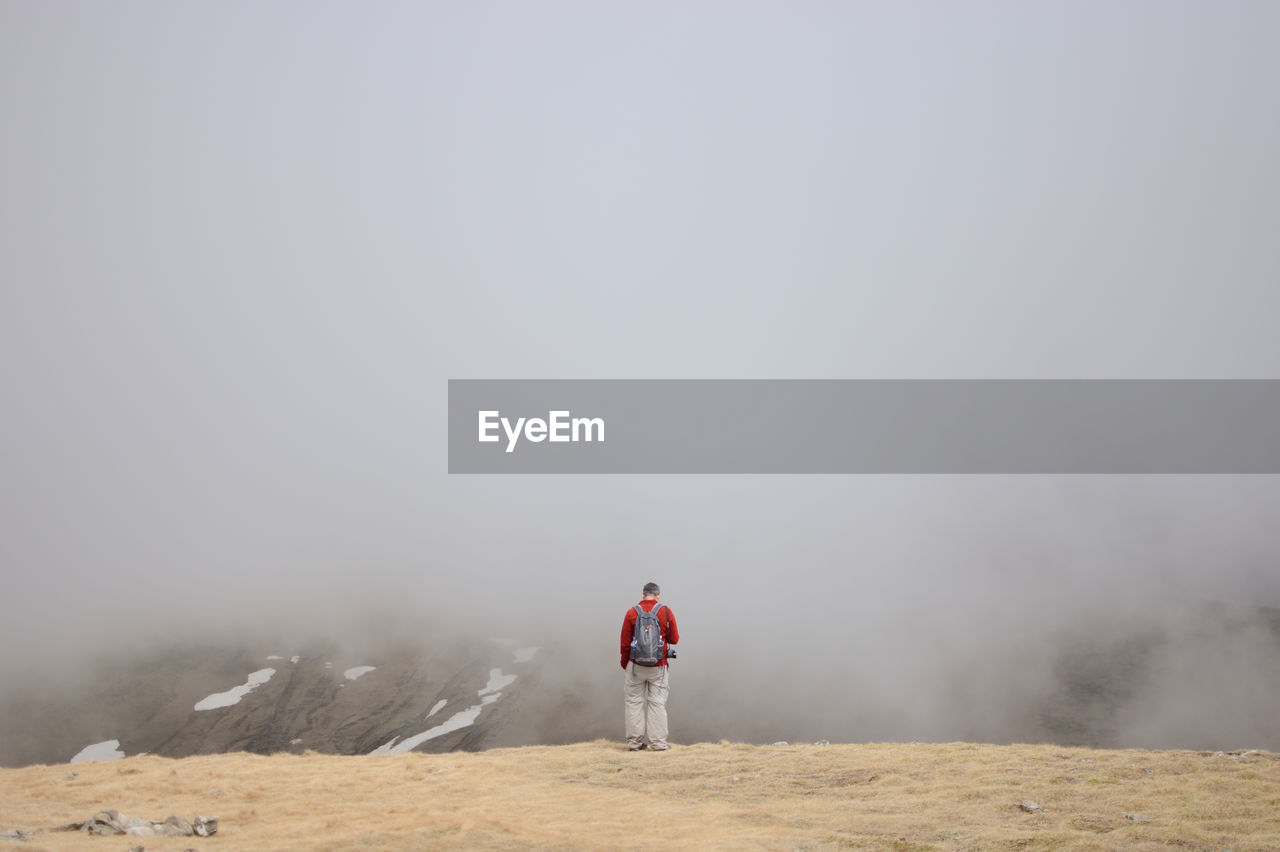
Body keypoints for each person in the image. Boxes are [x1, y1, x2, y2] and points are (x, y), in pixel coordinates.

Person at [620, 581, 679, 751]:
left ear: (642, 595)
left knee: (633, 702)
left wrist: (627, 664)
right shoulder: (666, 612)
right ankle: (659, 743)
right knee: (657, 703)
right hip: (659, 666)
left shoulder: (631, 613)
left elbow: (624, 643)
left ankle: (635, 743)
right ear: (658, 595)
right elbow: (674, 639)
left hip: (635, 666)